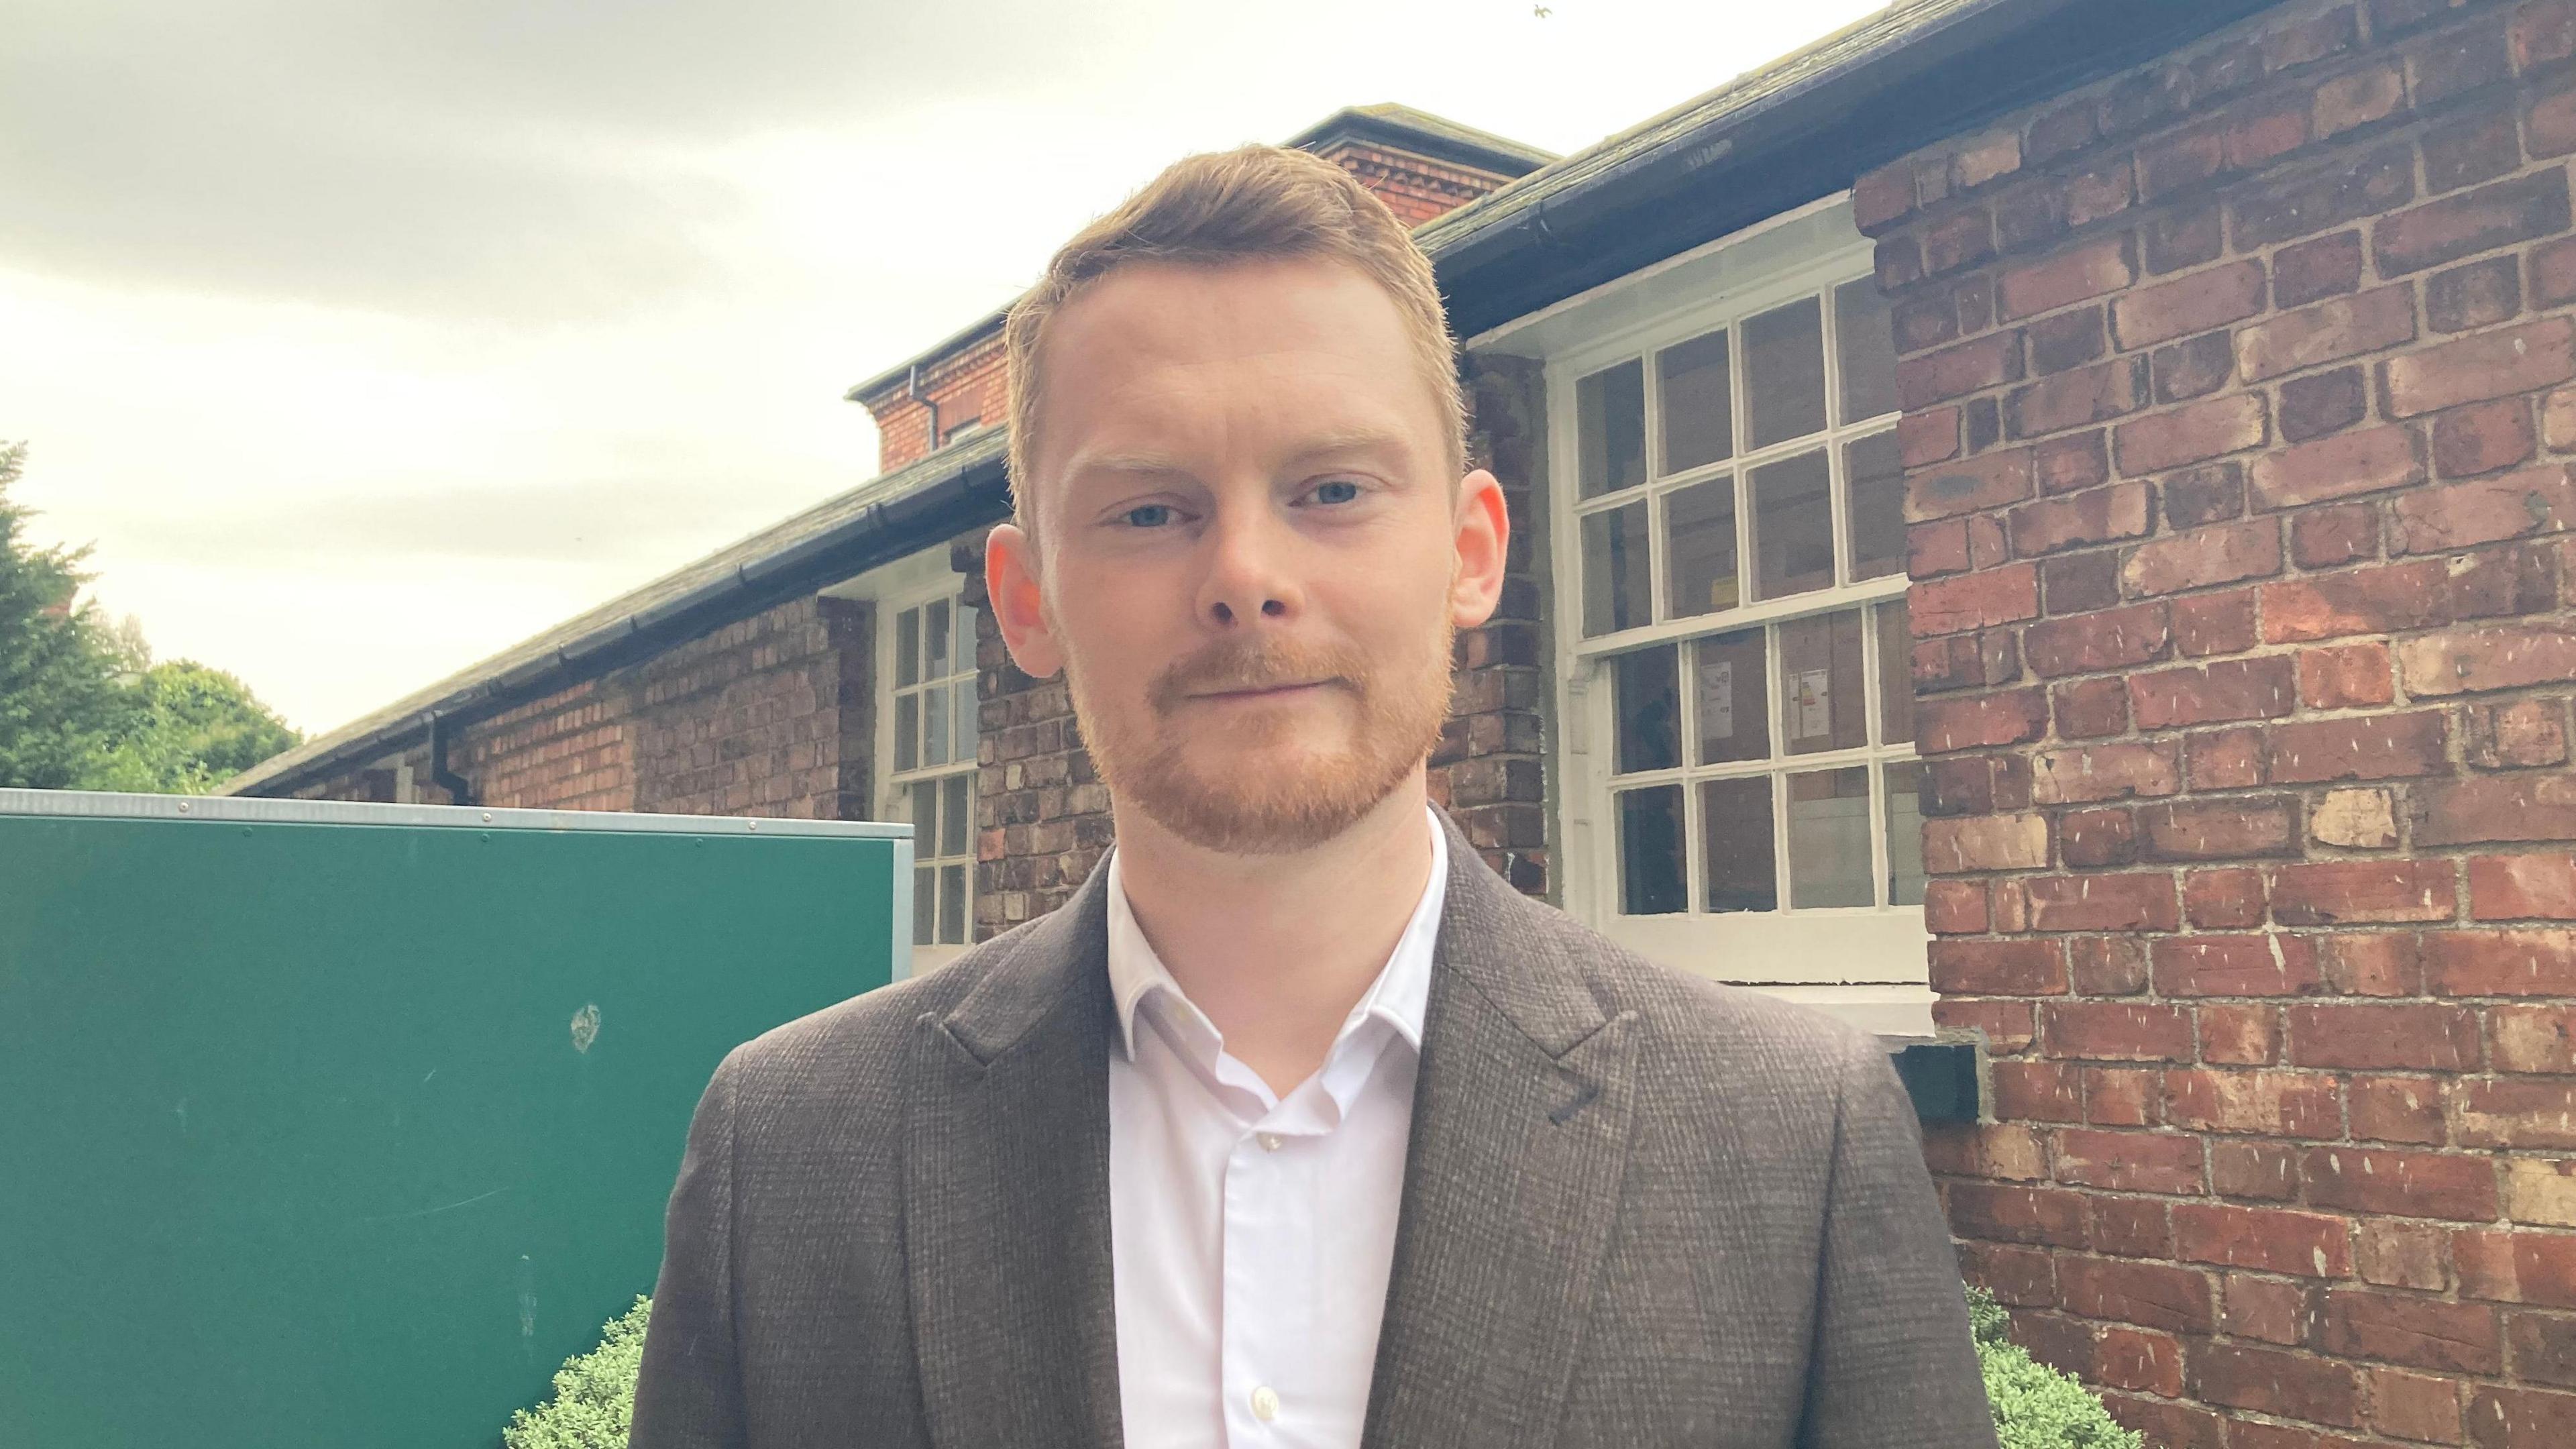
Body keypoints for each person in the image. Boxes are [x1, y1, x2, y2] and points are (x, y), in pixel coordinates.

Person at [629, 144, 1994, 1449]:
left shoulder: (1789, 1136)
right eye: (1150, 511)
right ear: (1025, 599)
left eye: (1332, 488)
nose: (1245, 573)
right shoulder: (792, 1153)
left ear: (1470, 555)